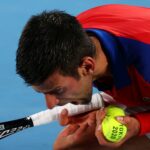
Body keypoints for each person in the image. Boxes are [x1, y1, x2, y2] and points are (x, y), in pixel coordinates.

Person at [16, 4, 150, 149]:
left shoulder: (144, 60)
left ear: (87, 66)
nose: (50, 105)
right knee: (71, 145)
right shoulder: (73, 37)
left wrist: (139, 124)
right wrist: (104, 105)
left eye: (58, 90)